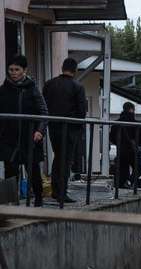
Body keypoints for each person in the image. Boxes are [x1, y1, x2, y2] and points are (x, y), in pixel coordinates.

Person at [0, 54, 48, 207]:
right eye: (10, 69)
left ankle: (38, 200)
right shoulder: (3, 90)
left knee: (33, 169)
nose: (13, 72)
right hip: (9, 137)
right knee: (10, 170)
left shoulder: (32, 88)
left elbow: (43, 111)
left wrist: (40, 130)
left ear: (24, 70)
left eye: (17, 69)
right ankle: (12, 203)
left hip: (30, 136)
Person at [43, 57, 87, 203]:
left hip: (53, 127)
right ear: (75, 70)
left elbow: (44, 106)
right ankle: (61, 193)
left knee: (58, 157)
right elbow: (81, 111)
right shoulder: (77, 87)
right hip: (70, 129)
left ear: (62, 68)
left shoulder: (49, 84)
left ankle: (56, 190)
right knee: (66, 160)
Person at [109, 102, 141, 188]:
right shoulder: (136, 124)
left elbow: (112, 138)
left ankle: (121, 189)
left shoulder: (116, 124)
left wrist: (120, 143)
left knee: (122, 171)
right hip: (131, 151)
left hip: (121, 150)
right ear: (131, 109)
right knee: (139, 169)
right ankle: (129, 181)